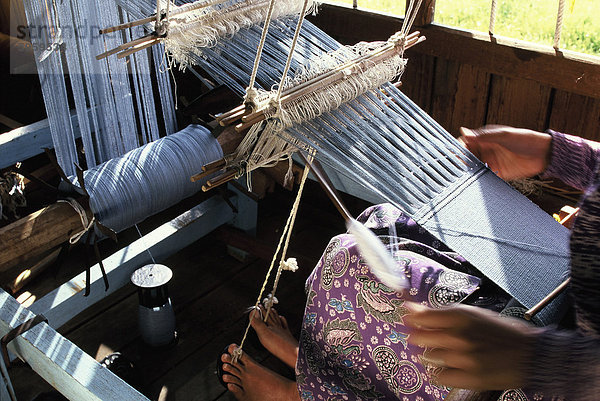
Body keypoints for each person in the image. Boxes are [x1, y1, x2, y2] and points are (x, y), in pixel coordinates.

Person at [219, 125, 600, 400]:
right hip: (565, 298)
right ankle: (314, 365)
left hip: (562, 370)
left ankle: (300, 392)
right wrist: (562, 155)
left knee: (445, 353)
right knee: (355, 258)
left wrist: (538, 359)